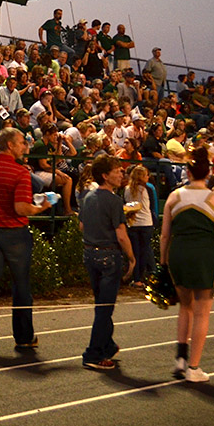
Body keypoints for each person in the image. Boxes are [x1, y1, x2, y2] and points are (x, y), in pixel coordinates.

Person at [160, 146, 214, 382]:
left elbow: (165, 235)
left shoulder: (174, 197)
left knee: (184, 307)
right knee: (202, 313)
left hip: (178, 254)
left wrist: (164, 262)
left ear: (187, 170)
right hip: (203, 256)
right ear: (208, 173)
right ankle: (194, 368)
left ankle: (180, 358)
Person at [0, 127, 49, 356]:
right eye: (22, 142)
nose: (25, 146)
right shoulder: (20, 172)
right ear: (10, 145)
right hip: (15, 234)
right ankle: (23, 337)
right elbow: (21, 208)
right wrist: (41, 207)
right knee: (21, 287)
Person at [78, 156, 135, 370]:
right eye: (117, 170)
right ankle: (93, 353)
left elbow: (82, 226)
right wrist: (131, 258)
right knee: (104, 309)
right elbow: (121, 235)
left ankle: (107, 344)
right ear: (105, 175)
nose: (121, 174)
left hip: (89, 254)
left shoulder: (87, 197)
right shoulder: (114, 201)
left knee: (101, 304)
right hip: (108, 256)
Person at [124, 164, 155, 287]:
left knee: (135, 252)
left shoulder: (127, 189)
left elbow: (126, 205)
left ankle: (136, 278)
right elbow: (151, 206)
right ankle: (142, 277)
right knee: (144, 251)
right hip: (146, 223)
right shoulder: (147, 189)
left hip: (133, 223)